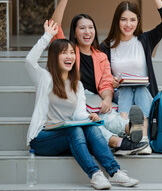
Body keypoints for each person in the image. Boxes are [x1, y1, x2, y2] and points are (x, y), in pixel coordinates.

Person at [25, 20, 140, 189]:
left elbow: (79, 115)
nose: (70, 56)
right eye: (64, 53)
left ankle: (114, 172)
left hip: (67, 136)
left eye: (72, 52)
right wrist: (47, 35)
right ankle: (95, 174)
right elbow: (29, 61)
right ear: (54, 56)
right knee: (74, 129)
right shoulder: (45, 78)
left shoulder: (77, 85)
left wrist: (89, 117)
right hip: (43, 138)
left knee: (91, 127)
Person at [50, 0, 147, 155]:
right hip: (74, 104)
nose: (87, 32)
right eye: (82, 28)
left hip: (94, 103)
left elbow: (106, 82)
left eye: (90, 28)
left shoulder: (100, 56)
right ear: (74, 32)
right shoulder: (68, 51)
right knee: (91, 123)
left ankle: (131, 129)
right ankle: (120, 142)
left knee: (107, 116)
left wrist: (108, 100)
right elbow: (53, 28)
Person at [100, 0, 162, 155]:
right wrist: (111, 82)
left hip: (143, 92)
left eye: (132, 20)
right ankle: (133, 136)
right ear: (117, 21)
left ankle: (140, 139)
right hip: (118, 93)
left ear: (138, 21)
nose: (128, 24)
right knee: (126, 90)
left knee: (140, 89)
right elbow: (101, 76)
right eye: (123, 19)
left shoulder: (145, 40)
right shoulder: (106, 46)